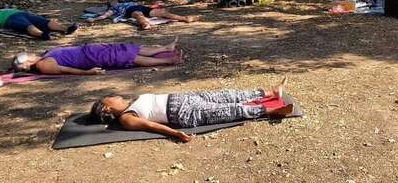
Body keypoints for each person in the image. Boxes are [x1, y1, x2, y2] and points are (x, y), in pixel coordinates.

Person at [90, 78, 294, 142]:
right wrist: (175, 133)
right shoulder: (127, 118)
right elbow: (151, 126)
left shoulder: (132, 102)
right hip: (181, 114)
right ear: (107, 107)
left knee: (226, 95)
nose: (115, 95)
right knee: (226, 110)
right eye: (111, 98)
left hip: (183, 98)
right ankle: (270, 111)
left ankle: (269, 92)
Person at [11, 38, 183, 75]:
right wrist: (88, 72)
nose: (31, 55)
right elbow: (65, 69)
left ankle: (165, 47)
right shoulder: (43, 65)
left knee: (129, 48)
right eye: (27, 57)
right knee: (129, 57)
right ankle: (168, 60)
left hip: (91, 50)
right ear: (27, 63)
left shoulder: (45, 55)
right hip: (92, 59)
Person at [86, 2, 200, 30]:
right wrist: (94, 18)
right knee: (139, 15)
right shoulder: (114, 8)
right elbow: (106, 15)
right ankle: (145, 23)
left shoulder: (124, 3)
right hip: (135, 9)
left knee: (162, 13)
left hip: (139, 7)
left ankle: (185, 18)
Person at [0, 8, 78, 40]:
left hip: (23, 13)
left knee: (45, 22)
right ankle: (41, 34)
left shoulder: (4, 8)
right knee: (27, 26)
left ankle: (66, 29)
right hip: (10, 19)